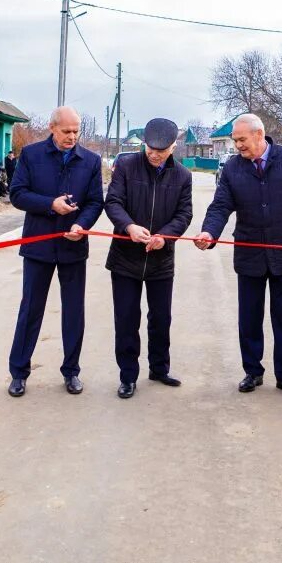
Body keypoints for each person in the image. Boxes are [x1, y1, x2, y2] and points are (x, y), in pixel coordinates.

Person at [194, 114, 282, 398]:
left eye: (241, 139)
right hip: (249, 254)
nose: (237, 145)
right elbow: (220, 205)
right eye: (235, 140)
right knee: (249, 317)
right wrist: (209, 233)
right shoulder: (232, 169)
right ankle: (252, 371)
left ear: (259, 135)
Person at [7, 107, 104, 397]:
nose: (71, 137)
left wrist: (82, 224)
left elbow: (96, 202)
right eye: (66, 131)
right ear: (52, 128)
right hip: (38, 247)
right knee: (30, 310)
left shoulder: (91, 161)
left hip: (73, 247)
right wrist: (51, 204)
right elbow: (17, 194)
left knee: (74, 311)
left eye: (76, 132)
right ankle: (19, 372)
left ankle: (71, 371)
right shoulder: (32, 155)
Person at [104, 118, 193, 399]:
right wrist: (128, 226)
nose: (154, 154)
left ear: (173, 146)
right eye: (150, 148)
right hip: (125, 259)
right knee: (127, 319)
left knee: (161, 319)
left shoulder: (182, 176)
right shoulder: (127, 167)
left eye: (161, 149)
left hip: (161, 260)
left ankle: (159, 368)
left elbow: (184, 214)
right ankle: (128, 376)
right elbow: (113, 202)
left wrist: (165, 236)